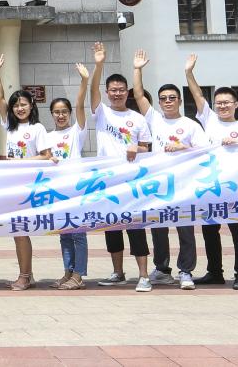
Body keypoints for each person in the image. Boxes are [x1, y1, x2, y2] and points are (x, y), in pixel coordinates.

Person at [132, 50, 203, 291]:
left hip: (183, 185)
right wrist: (138, 69)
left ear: (180, 100)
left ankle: (186, 271)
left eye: (172, 97)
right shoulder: (154, 119)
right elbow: (139, 94)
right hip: (159, 184)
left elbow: (205, 152)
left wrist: (183, 147)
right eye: (163, 98)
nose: (168, 101)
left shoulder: (191, 125)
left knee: (185, 229)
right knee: (158, 229)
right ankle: (162, 269)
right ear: (159, 102)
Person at [185, 54, 238, 290]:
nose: (223, 106)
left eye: (227, 102)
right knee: (209, 230)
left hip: (234, 188)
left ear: (236, 105)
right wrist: (189, 73)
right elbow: (197, 95)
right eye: (219, 103)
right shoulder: (210, 120)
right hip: (211, 186)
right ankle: (214, 272)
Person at [88, 42, 154, 292]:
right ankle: (118, 272)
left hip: (132, 182)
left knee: (135, 228)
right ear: (107, 93)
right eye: (113, 90)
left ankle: (144, 275)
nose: (117, 94)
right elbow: (92, 89)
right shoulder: (102, 113)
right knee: (112, 228)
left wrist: (137, 149)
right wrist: (99, 65)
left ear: (128, 92)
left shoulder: (137, 119)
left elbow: (147, 149)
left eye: (121, 90)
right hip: (107, 181)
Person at [0, 54, 48, 290]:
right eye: (16, 105)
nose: (19, 108)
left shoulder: (37, 128)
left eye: (23, 104)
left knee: (21, 230)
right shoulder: (10, 126)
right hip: (13, 185)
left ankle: (25, 276)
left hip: (30, 186)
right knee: (18, 231)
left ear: (31, 105)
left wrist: (21, 161)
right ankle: (27, 274)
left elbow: (46, 156)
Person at [42, 63, 90, 290]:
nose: (60, 115)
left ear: (70, 113)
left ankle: (78, 275)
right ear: (52, 114)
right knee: (64, 234)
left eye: (64, 112)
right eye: (56, 112)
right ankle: (68, 272)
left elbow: (80, 104)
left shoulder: (76, 132)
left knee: (78, 234)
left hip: (76, 189)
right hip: (58, 191)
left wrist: (84, 81)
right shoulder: (48, 136)